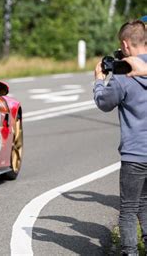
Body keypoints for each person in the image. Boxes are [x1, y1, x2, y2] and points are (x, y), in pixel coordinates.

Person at [93, 20, 147, 256]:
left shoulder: (124, 74)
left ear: (125, 44)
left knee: (128, 208)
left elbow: (104, 102)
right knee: (145, 203)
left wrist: (98, 80)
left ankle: (130, 252)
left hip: (135, 153)